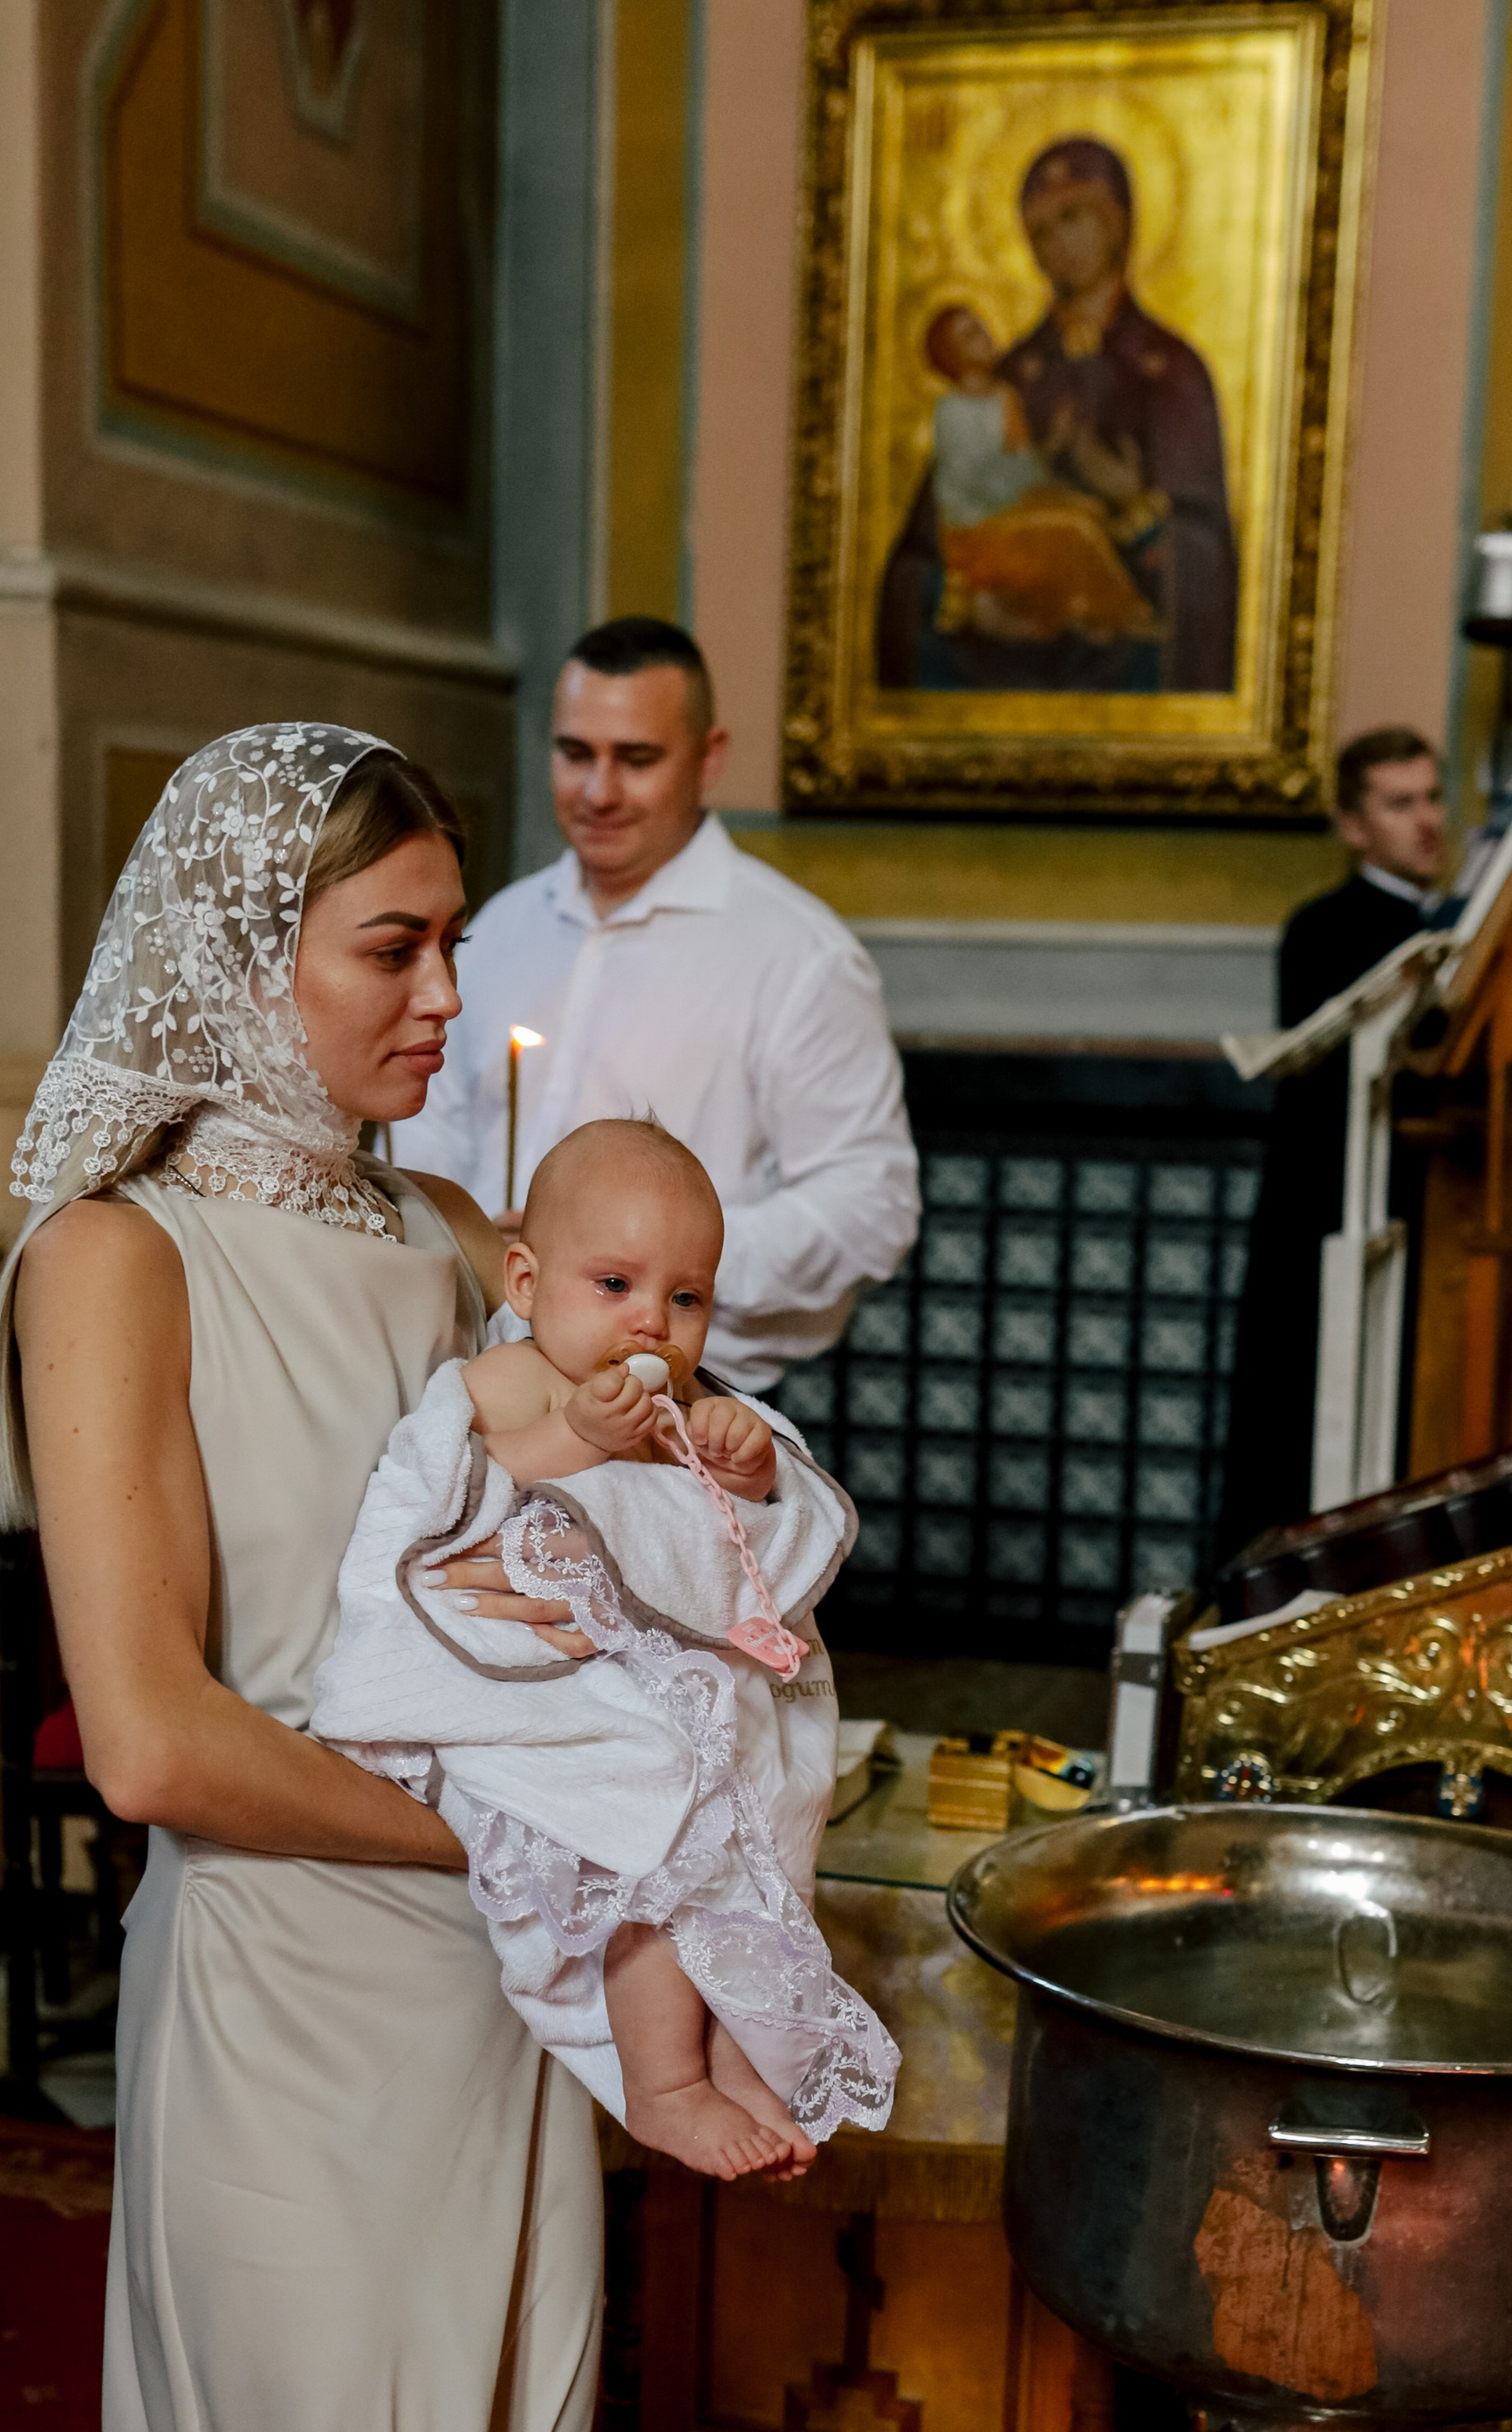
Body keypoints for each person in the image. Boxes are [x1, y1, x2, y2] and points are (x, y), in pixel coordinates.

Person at [0, 725, 605, 2432]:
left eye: (456, 941)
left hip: (494, 2026)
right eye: (397, 945)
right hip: (289, 2010)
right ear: (251, 962)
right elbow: (151, 1738)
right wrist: (504, 1834)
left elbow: (587, 1534)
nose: (449, 991)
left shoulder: (442, 1234)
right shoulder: (112, 1259)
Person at [312, 1116, 899, 2185]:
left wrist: (747, 1464)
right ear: (526, 1281)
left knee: (760, 1821)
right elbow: (462, 1499)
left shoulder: (686, 1401)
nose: (653, 1325)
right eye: (616, 1284)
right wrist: (582, 1435)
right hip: (564, 1694)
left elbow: (756, 1529)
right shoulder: (505, 1384)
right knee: (652, 1822)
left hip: (676, 1675)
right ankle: (664, 2083)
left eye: (685, 1298)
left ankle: (745, 2046)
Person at [404, 616, 919, 1395]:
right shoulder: (499, 926)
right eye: (575, 754)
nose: (598, 791)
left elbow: (868, 1202)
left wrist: (657, 1267)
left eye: (636, 759)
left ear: (709, 758)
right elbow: (427, 1129)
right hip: (473, 1375)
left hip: (688, 1397)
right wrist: (476, 1233)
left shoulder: (798, 954)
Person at [878, 136, 1236, 695]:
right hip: (1000, 659)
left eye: (1073, 218)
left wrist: (1134, 505)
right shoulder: (1007, 376)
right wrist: (959, 582)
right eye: (1040, 232)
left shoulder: (1169, 373)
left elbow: (1205, 551)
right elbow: (927, 542)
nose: (1056, 244)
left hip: (1125, 672)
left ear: (1117, 223)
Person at [1218, 728, 1452, 1555]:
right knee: (1307, 1416)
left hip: (1418, 1203)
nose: (1428, 820)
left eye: (1432, 797)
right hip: (1326, 1206)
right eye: (1401, 803)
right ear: (1355, 827)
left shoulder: (1455, 923)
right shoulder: (1322, 928)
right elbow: (1328, 1081)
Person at [922, 300, 1160, 647]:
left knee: (1086, 510)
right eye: (970, 335)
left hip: (1010, 511)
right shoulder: (953, 411)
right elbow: (977, 483)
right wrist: (1030, 478)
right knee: (1074, 530)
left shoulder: (1005, 396)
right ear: (950, 355)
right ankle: (1127, 615)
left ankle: (1085, 609)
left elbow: (1026, 469)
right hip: (976, 532)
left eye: (980, 327)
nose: (984, 337)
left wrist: (1053, 444)